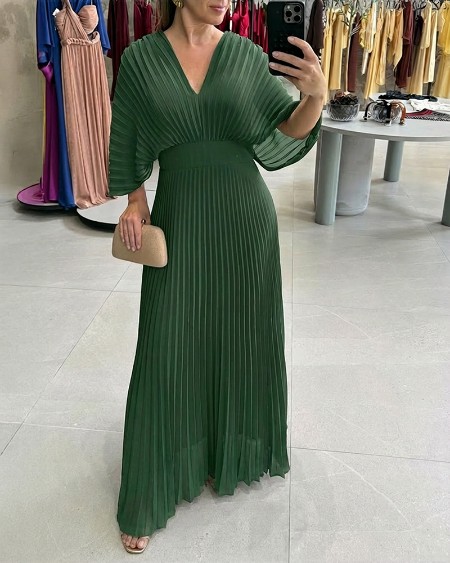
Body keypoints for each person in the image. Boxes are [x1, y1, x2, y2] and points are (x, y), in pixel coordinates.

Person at [108, 0, 326, 555]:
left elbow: (286, 130)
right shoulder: (140, 60)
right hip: (181, 218)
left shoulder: (246, 56)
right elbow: (128, 137)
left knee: (238, 340)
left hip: (244, 220)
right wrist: (134, 201)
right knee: (167, 346)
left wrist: (315, 97)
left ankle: (221, 453)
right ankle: (150, 487)